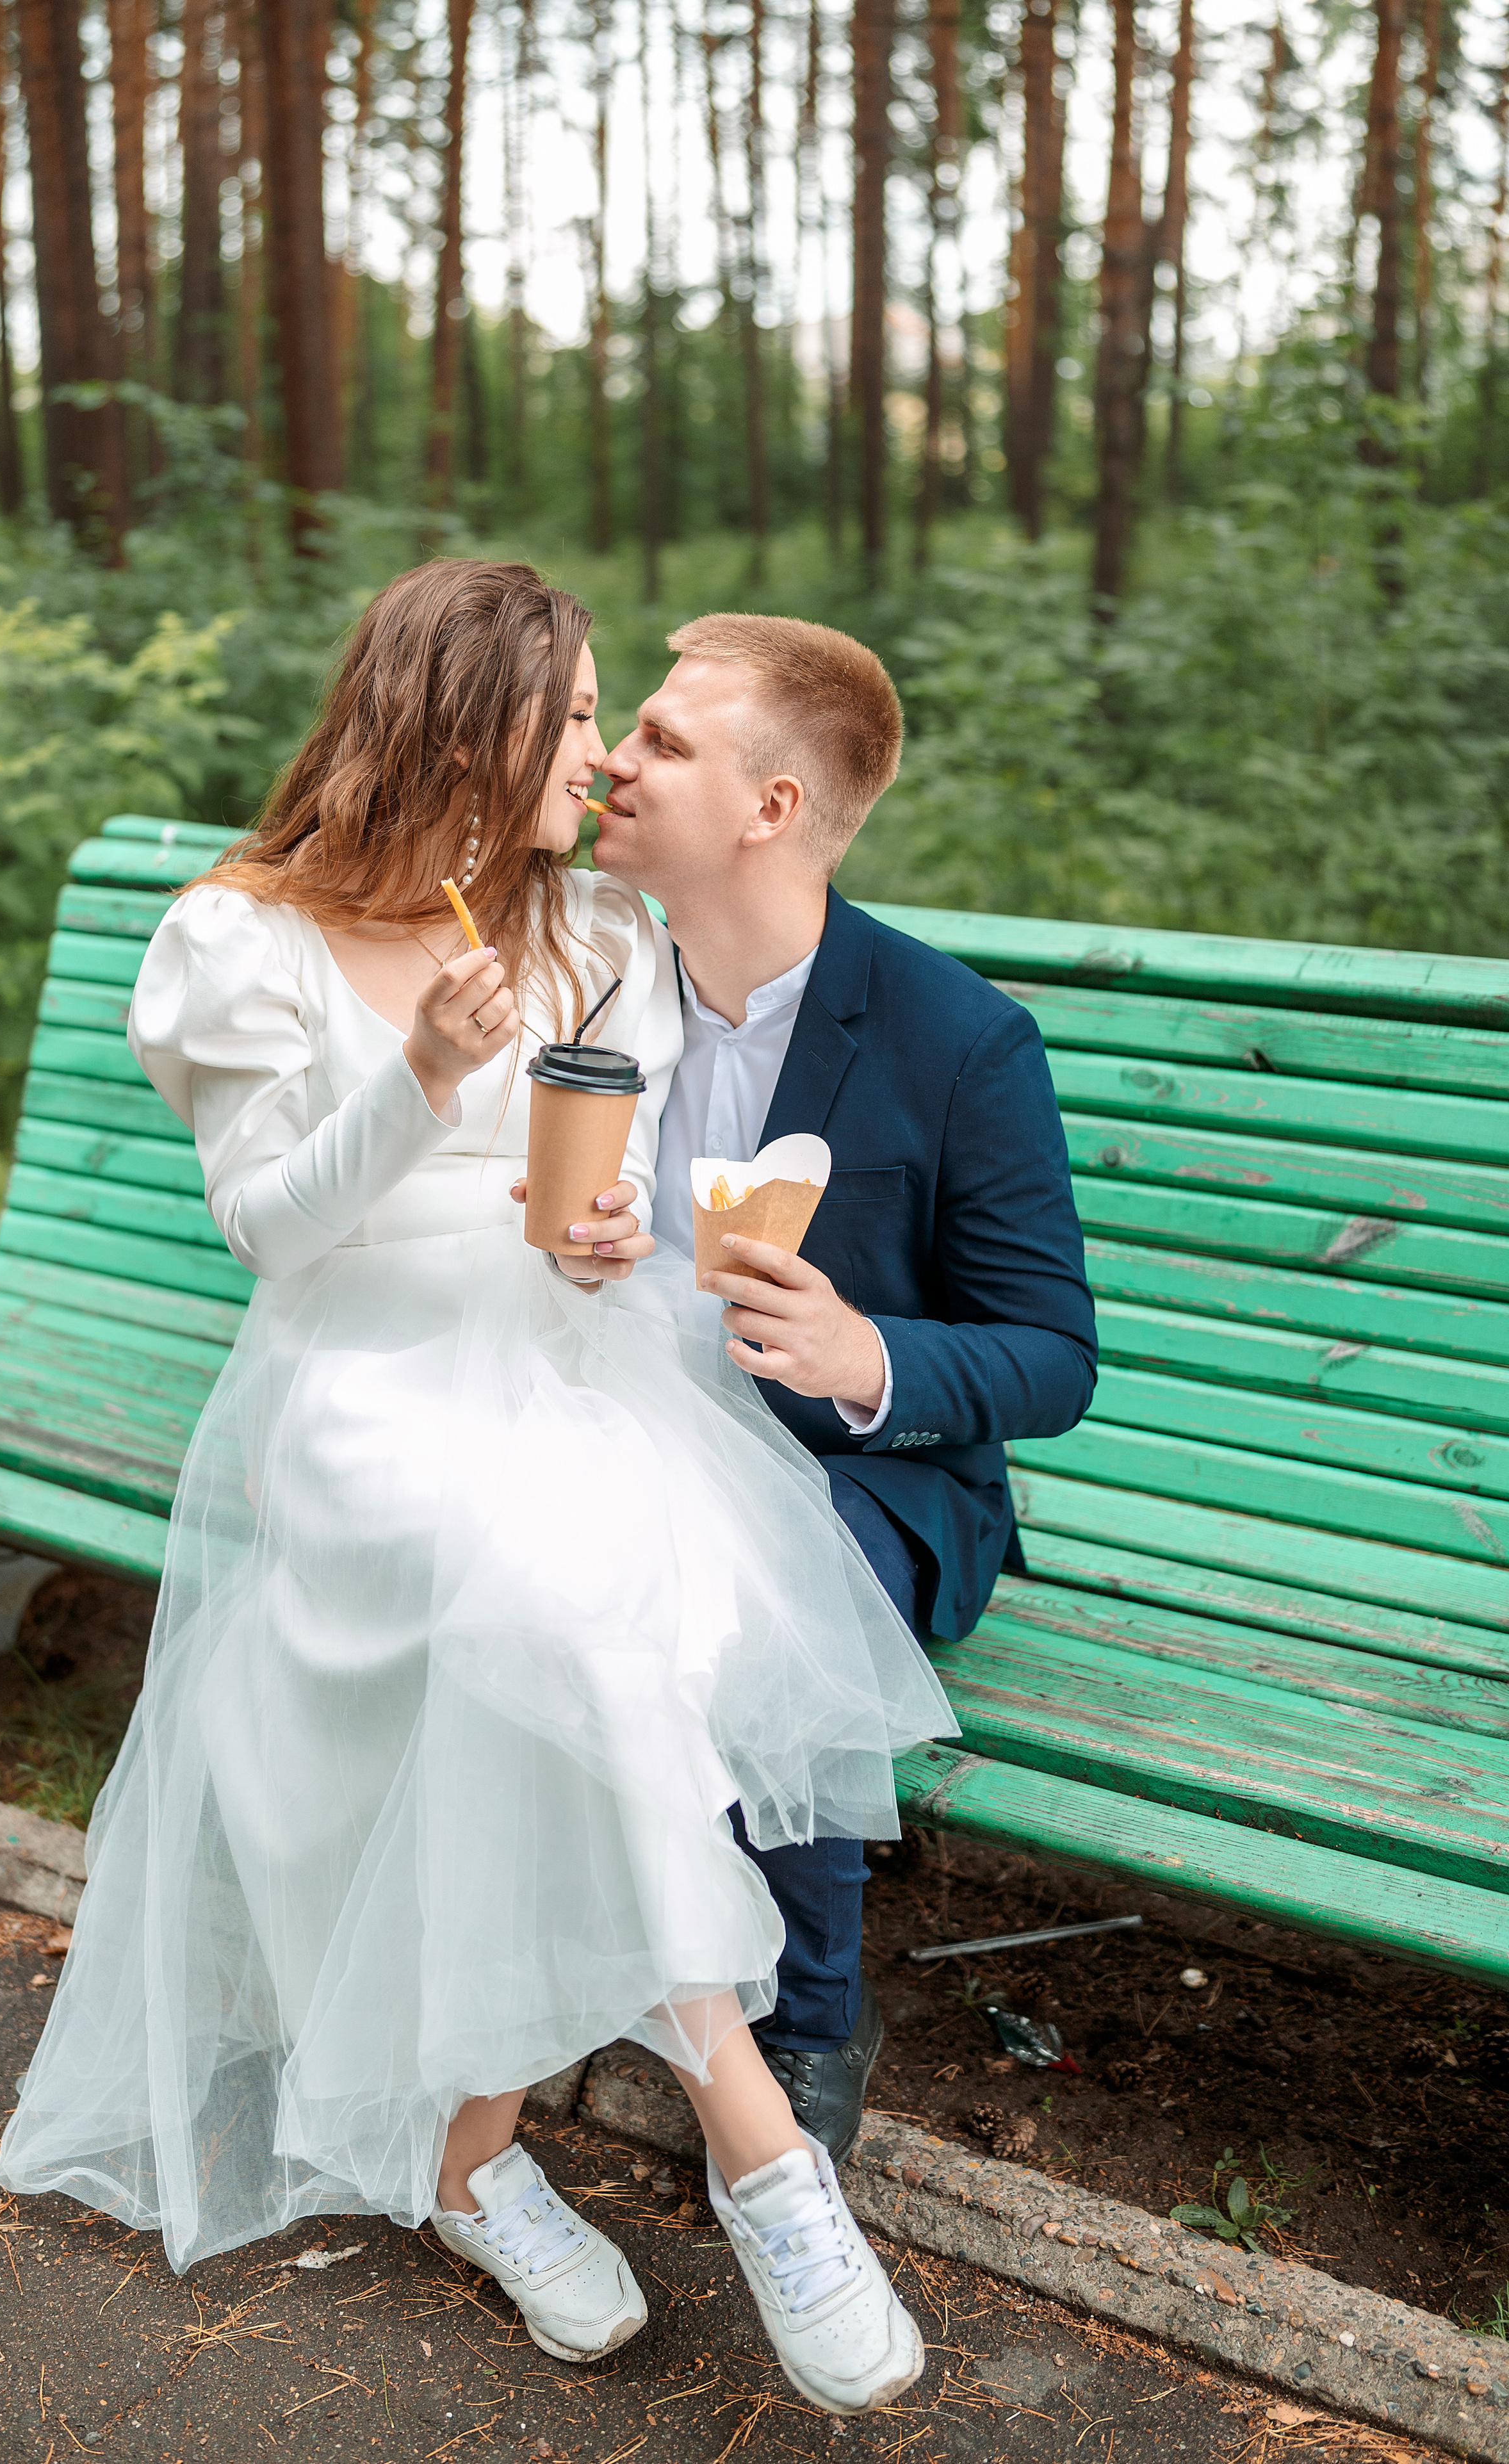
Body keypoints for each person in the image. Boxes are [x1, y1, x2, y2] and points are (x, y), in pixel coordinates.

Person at [0, 562, 958, 2420]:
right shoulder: (240, 938)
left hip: (569, 1372)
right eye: (581, 715)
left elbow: (596, 1203)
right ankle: (759, 2142)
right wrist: (423, 1071)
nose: (599, 760)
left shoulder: (596, 928)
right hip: (360, 1397)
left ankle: (469, 2167)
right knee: (570, 1622)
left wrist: (603, 1240)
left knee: (587, 1627)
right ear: (470, 724)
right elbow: (276, 1235)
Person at [595, 614, 1097, 2160]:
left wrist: (867, 1355)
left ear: (772, 809)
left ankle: (811, 2012)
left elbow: (1051, 1356)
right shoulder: (588, 972)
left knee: (756, 1601)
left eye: (665, 743)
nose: (613, 756)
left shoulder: (957, 1039)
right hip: (615, 1427)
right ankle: (577, 1944)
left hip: (857, 1472)